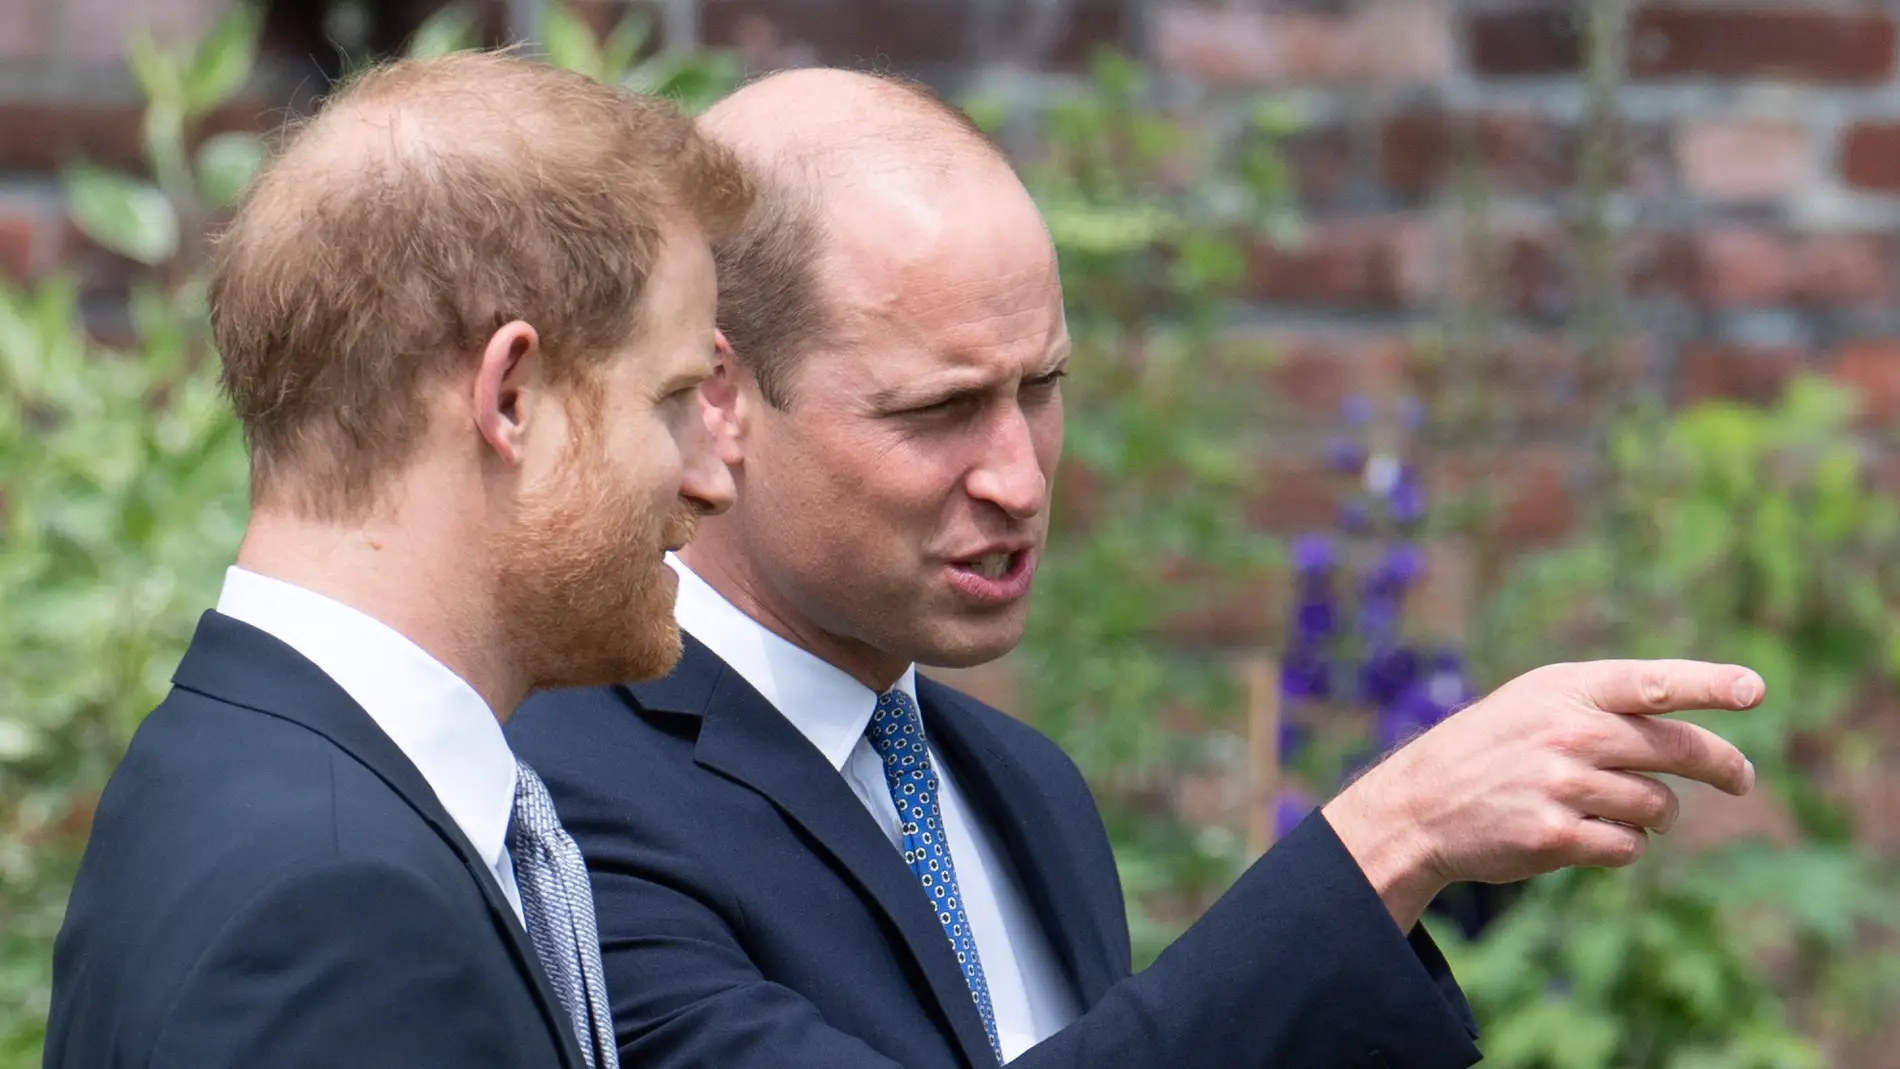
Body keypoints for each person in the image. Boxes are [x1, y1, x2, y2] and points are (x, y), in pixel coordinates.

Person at [505, 68, 1764, 1069]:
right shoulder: (565, 790)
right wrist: (1389, 837)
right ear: (718, 398)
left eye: (1039, 388)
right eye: (938, 410)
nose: (1017, 473)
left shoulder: (1018, 787)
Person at [44, 51, 751, 1069]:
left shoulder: (247, 772)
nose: (709, 479)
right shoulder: (332, 902)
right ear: (511, 396)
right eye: (673, 400)